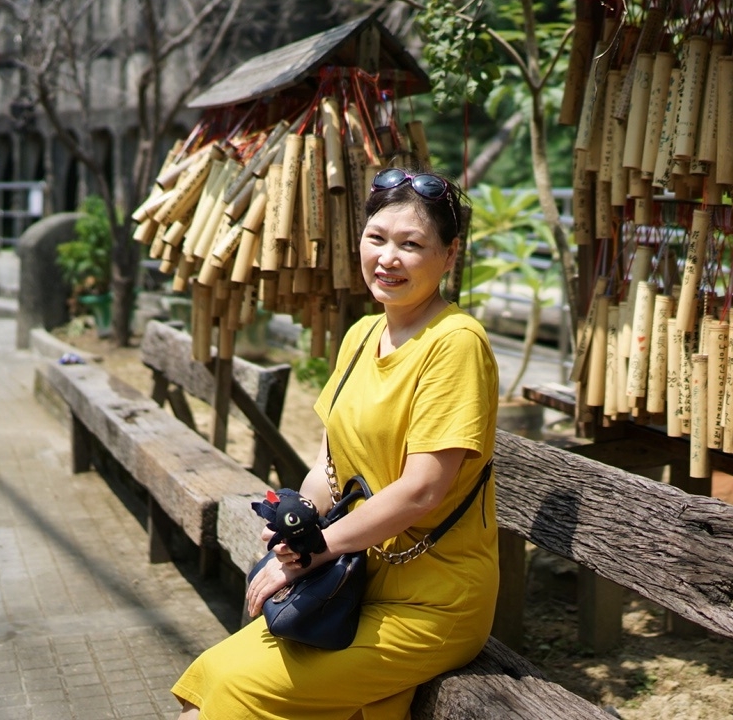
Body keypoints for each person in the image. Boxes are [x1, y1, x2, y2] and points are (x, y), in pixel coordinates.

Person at [173, 167, 499, 720]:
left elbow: (422, 491)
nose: (388, 258)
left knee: (235, 692)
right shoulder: (361, 335)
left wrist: (313, 553)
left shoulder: (456, 344)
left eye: (411, 244)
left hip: (431, 601)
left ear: (449, 255)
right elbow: (329, 465)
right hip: (352, 584)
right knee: (209, 682)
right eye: (377, 238)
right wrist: (293, 527)